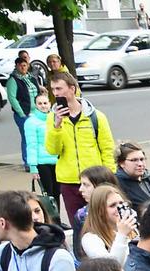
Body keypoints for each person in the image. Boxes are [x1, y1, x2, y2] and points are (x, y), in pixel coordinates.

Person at [45, 72, 117, 225]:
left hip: (95, 179)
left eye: (59, 89)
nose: (55, 93)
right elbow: (53, 150)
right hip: (69, 181)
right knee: (78, 224)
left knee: (102, 222)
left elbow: (107, 148)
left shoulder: (96, 116)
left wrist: (110, 177)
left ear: (72, 89)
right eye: (53, 89)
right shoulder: (52, 117)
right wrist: (56, 126)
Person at [23, 89, 61, 218]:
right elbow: (31, 145)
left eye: (45, 103)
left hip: (57, 161)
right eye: (40, 103)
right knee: (48, 194)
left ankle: (57, 218)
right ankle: (51, 219)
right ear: (36, 105)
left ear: (50, 104)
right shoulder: (31, 122)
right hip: (42, 163)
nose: (43, 106)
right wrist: (33, 167)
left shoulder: (55, 118)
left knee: (57, 193)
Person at [82, 185, 138, 263]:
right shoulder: (90, 239)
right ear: (100, 211)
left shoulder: (133, 229)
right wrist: (122, 235)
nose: (119, 208)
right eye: (112, 205)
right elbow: (113, 268)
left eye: (121, 203)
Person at [71, 165, 119, 253]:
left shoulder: (125, 209)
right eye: (81, 184)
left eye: (86, 185)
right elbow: (79, 253)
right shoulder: (82, 215)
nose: (80, 189)